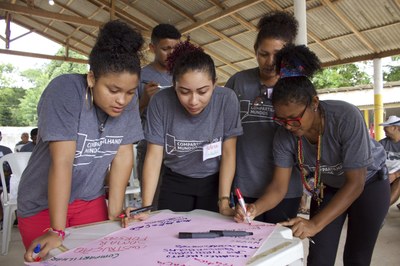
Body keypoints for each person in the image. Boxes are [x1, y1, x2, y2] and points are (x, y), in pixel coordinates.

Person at [234, 44, 390, 266]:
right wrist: (255, 208)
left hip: (369, 184)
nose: (288, 126)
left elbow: (355, 184)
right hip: (328, 188)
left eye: (294, 118)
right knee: (318, 259)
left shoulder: (345, 117)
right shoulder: (284, 136)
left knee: (357, 258)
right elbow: (279, 188)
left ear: (314, 103)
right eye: (281, 119)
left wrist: (314, 223)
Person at [17, 20, 144, 262]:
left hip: (89, 200)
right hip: (42, 204)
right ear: (92, 78)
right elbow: (62, 161)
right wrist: (56, 230)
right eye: (113, 89)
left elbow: (123, 155)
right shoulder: (65, 91)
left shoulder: (128, 99)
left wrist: (114, 213)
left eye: (129, 92)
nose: (122, 100)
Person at [134, 40, 242, 218]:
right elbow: (154, 156)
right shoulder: (160, 102)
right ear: (173, 84)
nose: (193, 101)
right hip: (175, 180)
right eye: (184, 92)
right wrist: (146, 207)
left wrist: (223, 201)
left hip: (214, 182)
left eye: (202, 91)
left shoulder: (227, 100)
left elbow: (229, 152)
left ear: (214, 84)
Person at [225, 11, 302, 223]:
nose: (270, 61)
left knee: (280, 249)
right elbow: (225, 135)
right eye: (263, 54)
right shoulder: (238, 82)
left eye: (277, 54)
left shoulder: (298, 85)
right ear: (255, 51)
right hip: (245, 186)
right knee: (246, 249)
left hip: (286, 188)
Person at [136, 24, 181, 208]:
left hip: (179, 150)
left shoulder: (184, 74)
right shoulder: (140, 76)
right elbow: (125, 119)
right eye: (165, 49)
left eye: (175, 48)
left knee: (176, 205)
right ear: (152, 48)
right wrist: (144, 100)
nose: (171, 53)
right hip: (149, 148)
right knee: (152, 205)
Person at [379, 115, 400, 209]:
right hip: (383, 173)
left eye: (386, 126)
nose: (383, 129)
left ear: (395, 127)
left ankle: (381, 210)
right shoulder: (382, 143)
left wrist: (395, 175)